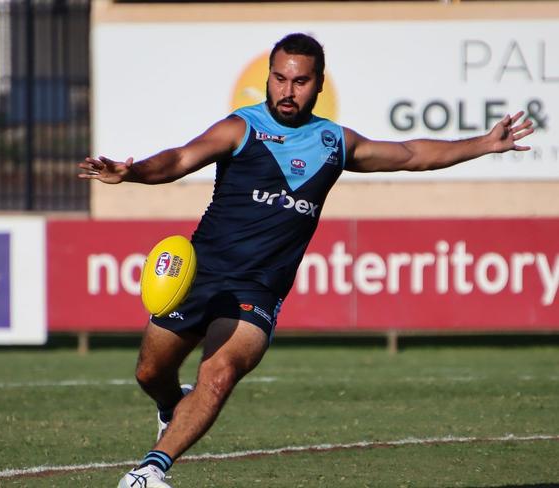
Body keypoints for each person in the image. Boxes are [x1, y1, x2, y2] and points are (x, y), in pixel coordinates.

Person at [78, 33, 534, 488]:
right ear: (269, 78)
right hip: (201, 275)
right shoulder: (243, 127)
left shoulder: (334, 143)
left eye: (299, 81)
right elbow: (179, 158)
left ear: (318, 85)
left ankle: (149, 472)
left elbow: (412, 155)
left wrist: (483, 143)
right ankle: (168, 408)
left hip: (257, 291)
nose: (287, 90)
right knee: (149, 372)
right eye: (279, 78)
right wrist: (133, 172)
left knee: (219, 374)